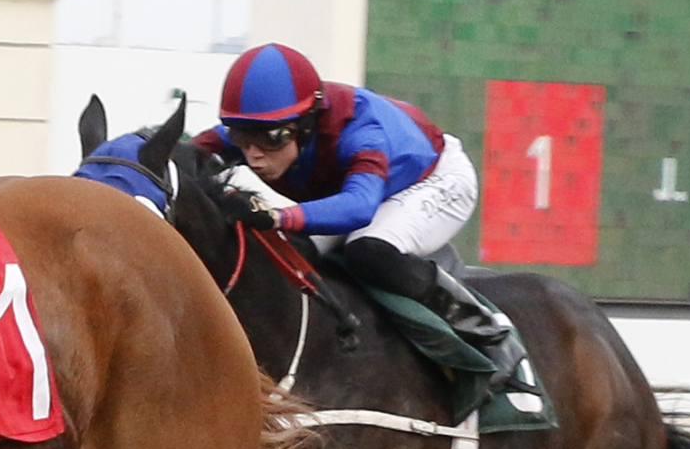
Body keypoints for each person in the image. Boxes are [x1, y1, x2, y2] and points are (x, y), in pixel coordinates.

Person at [195, 43, 518, 380]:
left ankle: (486, 329)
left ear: (306, 125)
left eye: (270, 139)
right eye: (241, 137)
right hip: (359, 188)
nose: (253, 154)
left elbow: (360, 206)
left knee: (369, 249)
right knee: (289, 251)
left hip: (434, 178)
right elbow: (178, 158)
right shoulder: (268, 126)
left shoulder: (361, 133)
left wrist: (278, 216)